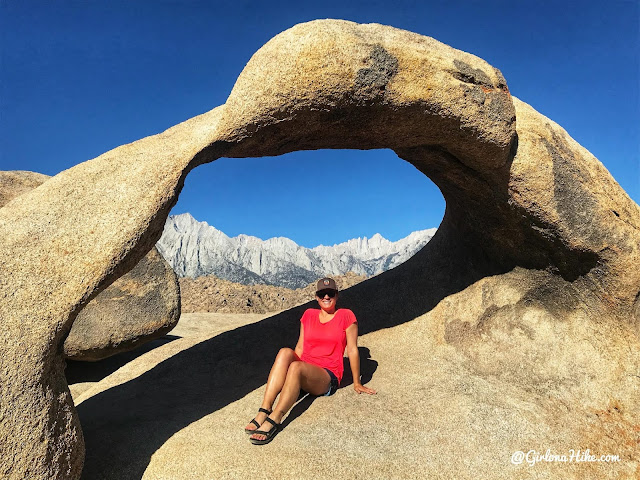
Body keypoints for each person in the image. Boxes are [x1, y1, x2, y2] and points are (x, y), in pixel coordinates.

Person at [244, 277, 376, 445]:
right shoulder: (308, 315)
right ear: (316, 297)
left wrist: (357, 382)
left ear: (337, 296)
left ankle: (275, 418)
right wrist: (290, 366)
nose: (326, 297)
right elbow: (300, 347)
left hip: (327, 375)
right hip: (305, 367)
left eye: (330, 293)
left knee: (297, 367)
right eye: (322, 294)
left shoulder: (346, 316)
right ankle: (264, 409)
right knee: (285, 352)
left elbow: (352, 350)